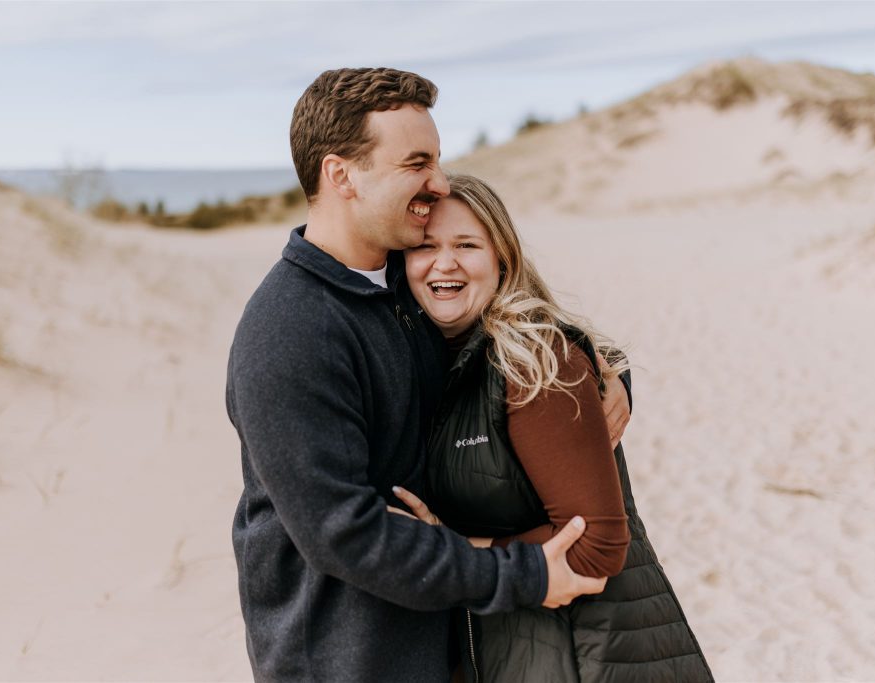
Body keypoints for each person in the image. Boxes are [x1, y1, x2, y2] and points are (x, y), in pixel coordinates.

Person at [226, 68, 610, 683]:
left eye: (437, 160)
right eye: (416, 163)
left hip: (438, 647)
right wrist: (523, 575)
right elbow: (344, 533)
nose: (439, 182)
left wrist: (603, 377)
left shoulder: (402, 292)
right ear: (342, 176)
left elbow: (502, 342)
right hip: (344, 663)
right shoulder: (289, 330)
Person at [393, 174, 715, 682]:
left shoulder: (537, 362)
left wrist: (450, 548)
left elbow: (596, 547)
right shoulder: (430, 365)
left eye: (467, 245)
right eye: (426, 246)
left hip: (590, 658)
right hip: (516, 651)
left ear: (502, 258)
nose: (445, 262)